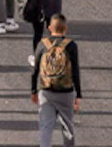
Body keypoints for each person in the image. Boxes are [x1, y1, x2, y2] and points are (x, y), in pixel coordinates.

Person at [31, 13, 81, 147]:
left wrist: (33, 91)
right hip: (66, 92)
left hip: (46, 91)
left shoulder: (42, 44)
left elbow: (35, 70)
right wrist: (78, 95)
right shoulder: (71, 46)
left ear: (49, 28)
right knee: (67, 126)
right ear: (66, 29)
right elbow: (75, 72)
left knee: (46, 127)